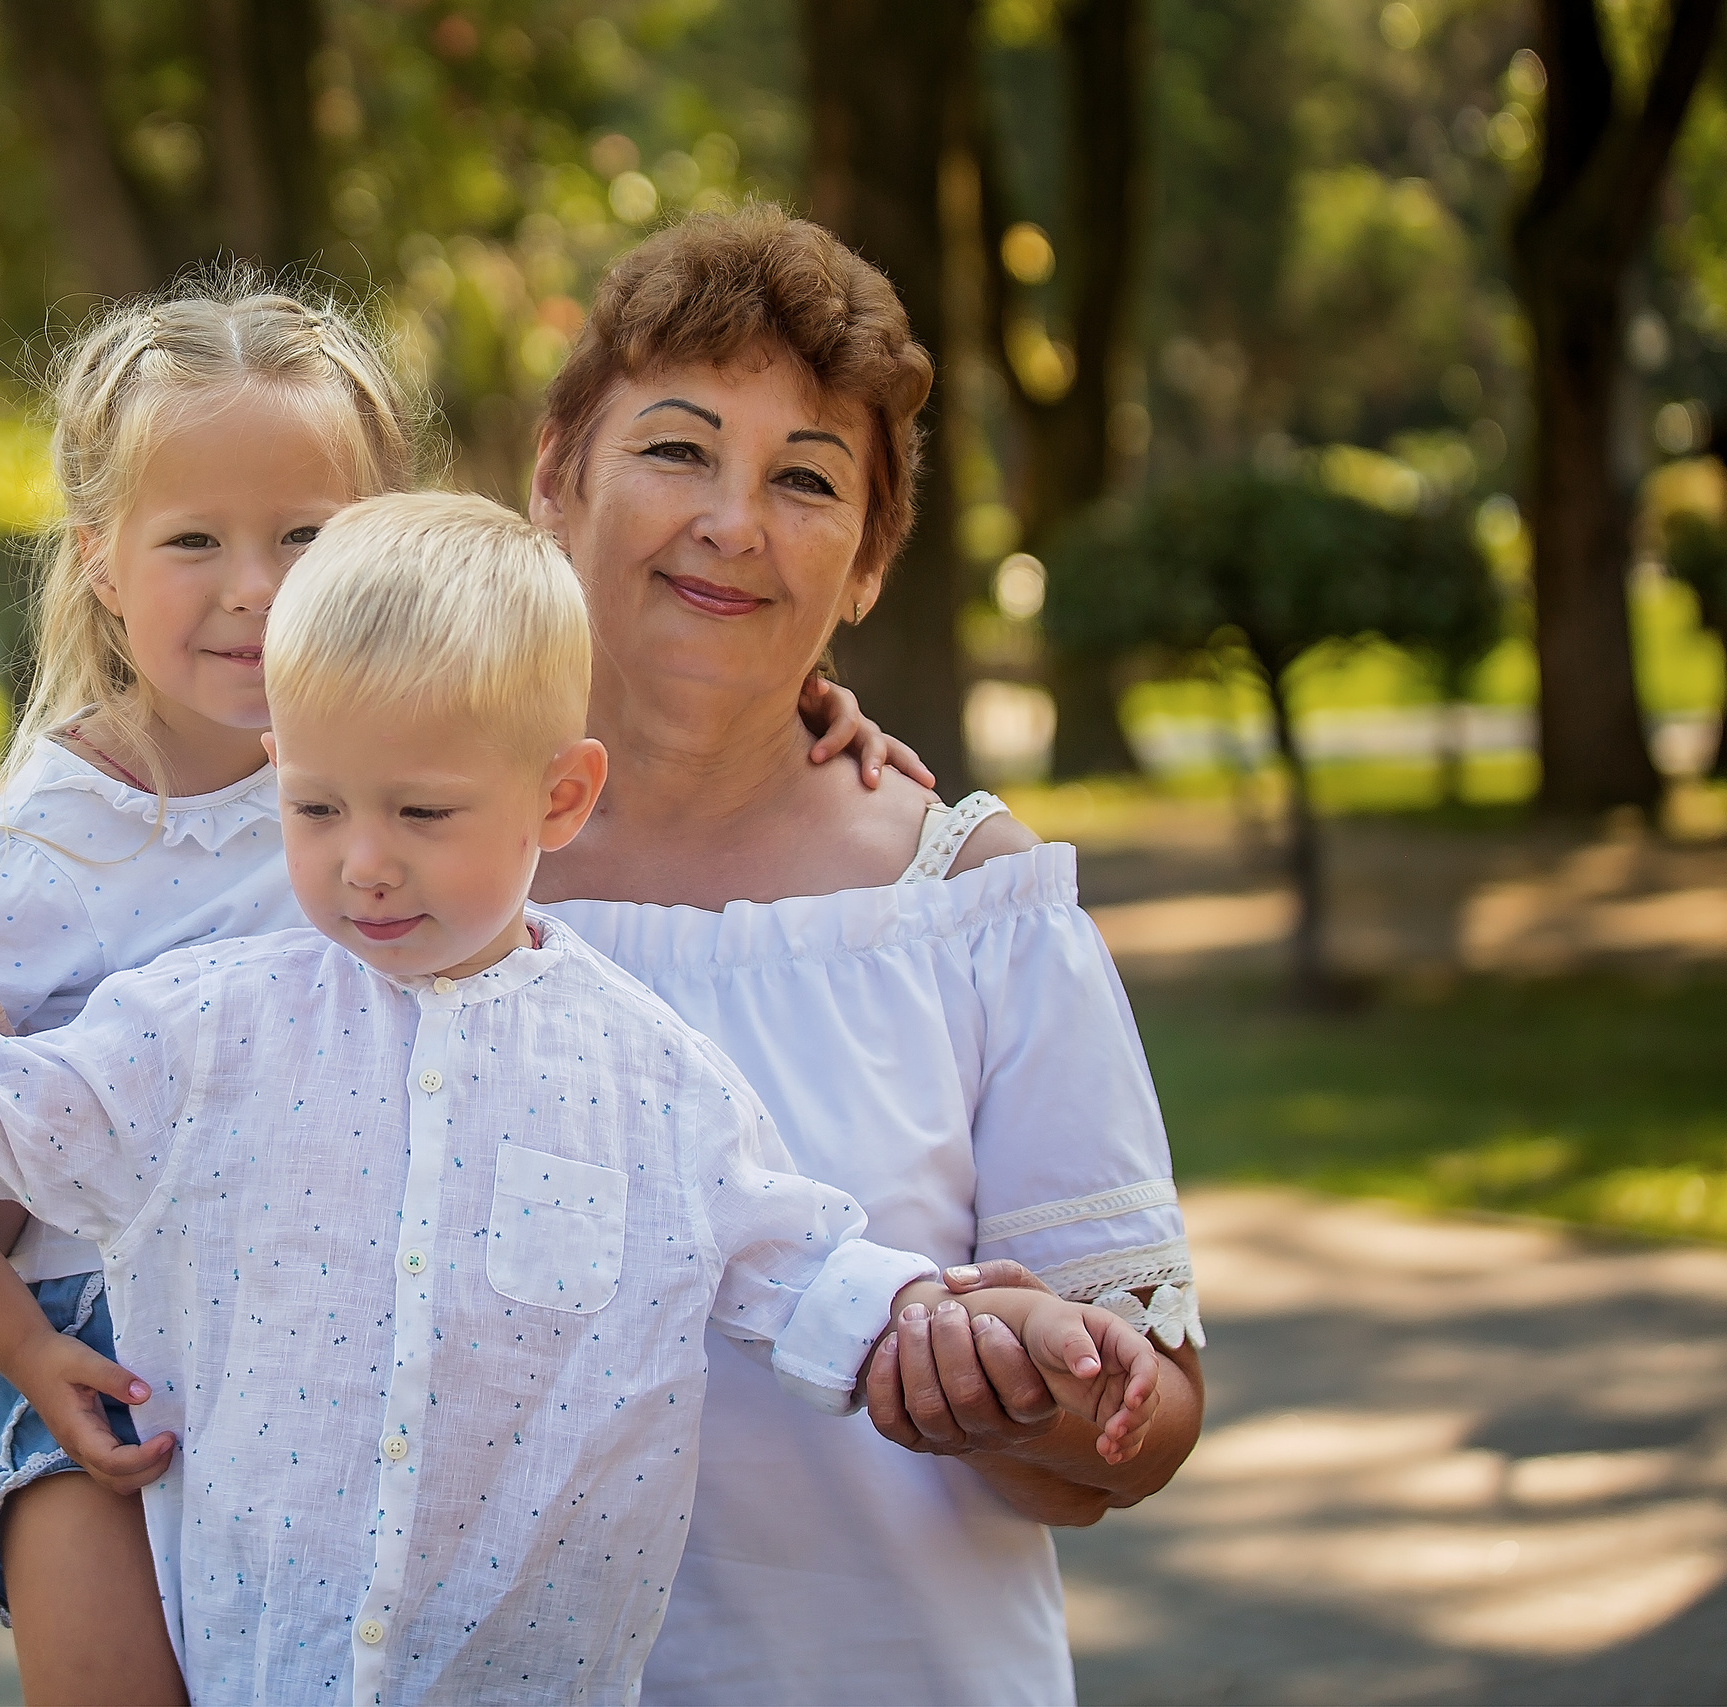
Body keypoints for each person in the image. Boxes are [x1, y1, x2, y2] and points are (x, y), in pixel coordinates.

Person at [0, 492, 1163, 1706]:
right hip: (261, 1668)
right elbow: (10, 1118)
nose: (364, 866)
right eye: (319, 808)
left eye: (422, 814)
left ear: (560, 797)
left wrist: (958, 1320)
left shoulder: (645, 1071)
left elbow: (799, 1267)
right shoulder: (204, 1024)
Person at [0, 275, 919, 1704]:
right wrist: (21, 1348)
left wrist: (809, 709)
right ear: (99, 562)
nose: (255, 586)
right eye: (194, 539)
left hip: (331, 1326)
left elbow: (563, 721)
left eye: (304, 539)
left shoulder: (388, 767)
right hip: (92, 1347)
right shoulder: (26, 858)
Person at [525, 204, 1208, 1705]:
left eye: (807, 480)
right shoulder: (397, 875)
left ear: (870, 563)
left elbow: (1143, 1422)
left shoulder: (968, 906)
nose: (734, 521)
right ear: (555, 480)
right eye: (677, 450)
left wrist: (1026, 1385)